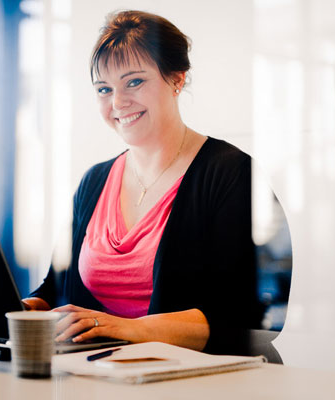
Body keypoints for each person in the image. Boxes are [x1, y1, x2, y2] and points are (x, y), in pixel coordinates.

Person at [22, 10, 261, 355]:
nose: (118, 102)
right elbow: (56, 287)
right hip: (94, 376)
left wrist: (124, 328)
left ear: (177, 79)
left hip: (189, 381)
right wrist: (20, 308)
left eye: (134, 82)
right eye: (104, 89)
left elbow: (236, 314)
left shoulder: (229, 173)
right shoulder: (95, 181)